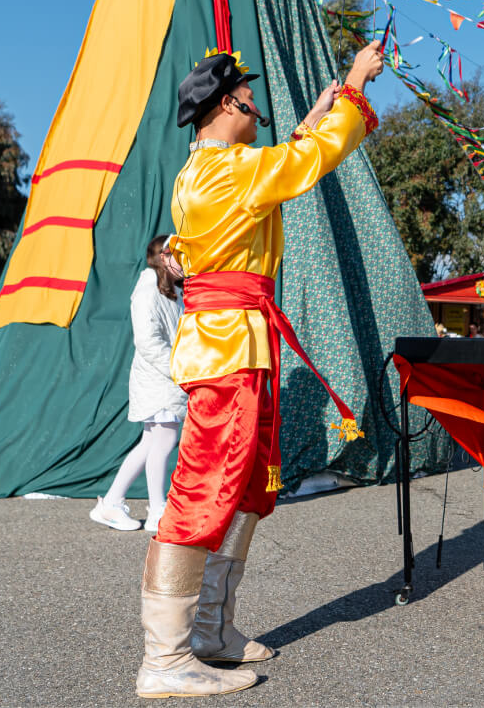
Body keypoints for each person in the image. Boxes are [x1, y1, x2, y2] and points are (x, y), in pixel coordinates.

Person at [133, 39, 384, 698]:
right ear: (227, 104)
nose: (257, 106)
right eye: (249, 97)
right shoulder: (227, 172)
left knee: (240, 488)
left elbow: (277, 163)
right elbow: (301, 165)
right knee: (200, 496)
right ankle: (165, 658)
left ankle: (210, 630)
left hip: (235, 344)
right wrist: (356, 84)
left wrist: (316, 112)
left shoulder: (211, 168)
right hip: (229, 348)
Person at [91, 236, 190, 533]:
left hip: (166, 379)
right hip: (159, 381)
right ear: (163, 258)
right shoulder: (148, 291)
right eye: (179, 256)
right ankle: (157, 509)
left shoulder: (172, 291)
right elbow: (147, 342)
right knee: (161, 442)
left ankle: (111, 503)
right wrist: (177, 369)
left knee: (151, 443)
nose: (185, 262)